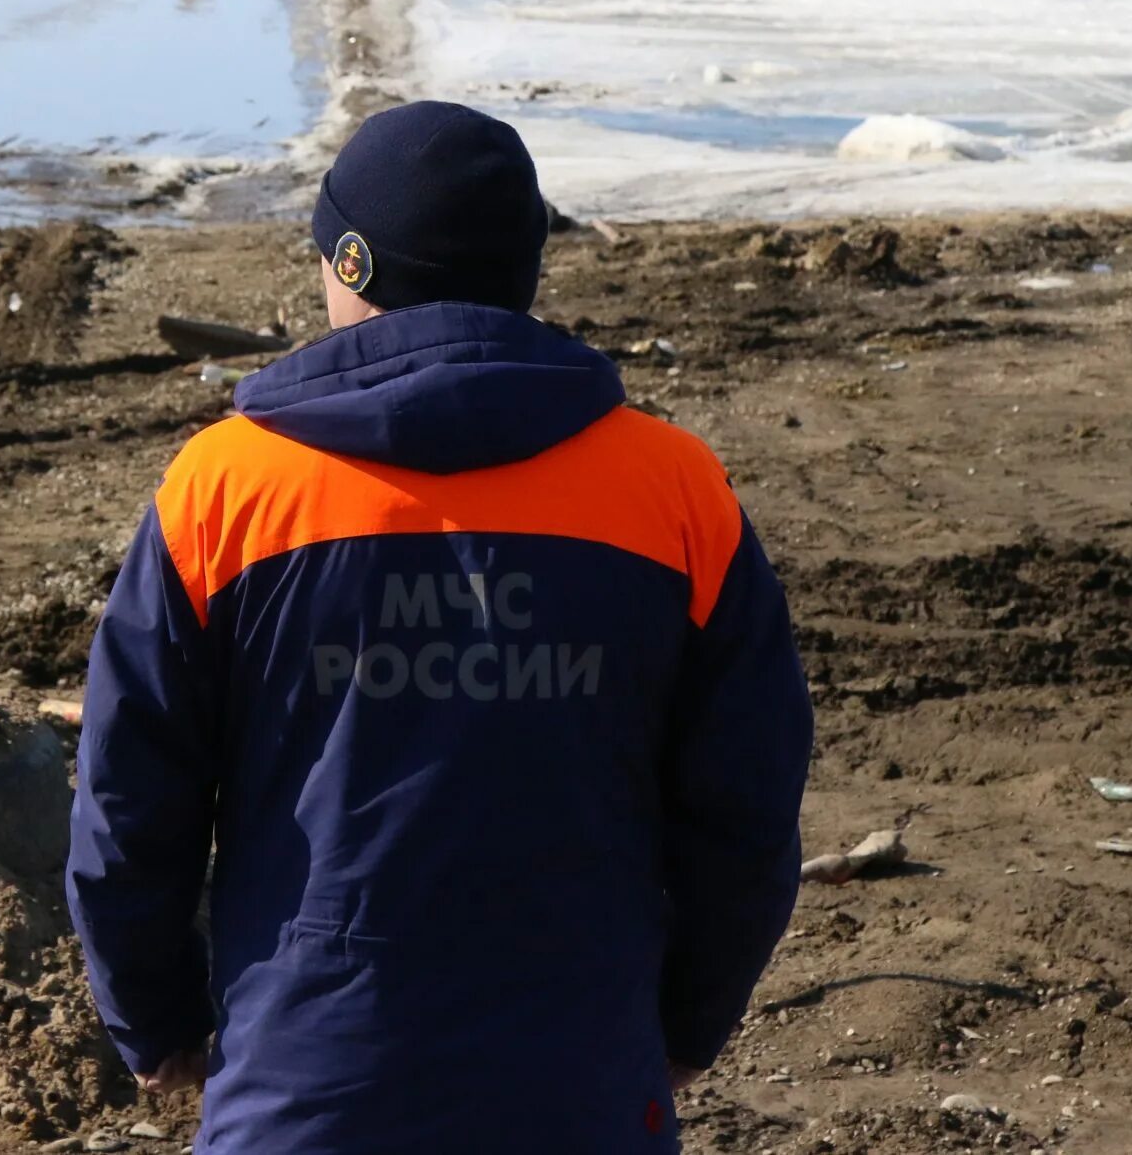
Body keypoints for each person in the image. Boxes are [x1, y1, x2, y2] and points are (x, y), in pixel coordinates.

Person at [66, 101, 814, 1153]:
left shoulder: (227, 489)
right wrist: (686, 1021)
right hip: (581, 1078)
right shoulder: (670, 487)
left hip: (306, 1081)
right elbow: (747, 799)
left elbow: (129, 799)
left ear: (350, 265)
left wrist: (154, 1020)